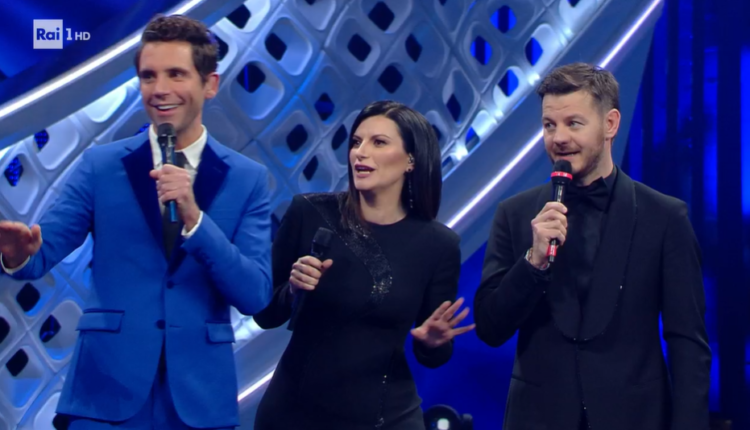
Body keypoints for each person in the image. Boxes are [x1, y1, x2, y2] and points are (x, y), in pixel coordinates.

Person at [0, 15, 272, 429]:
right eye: (148, 76)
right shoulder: (100, 165)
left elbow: (255, 295)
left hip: (199, 401)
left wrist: (196, 221)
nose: (159, 89)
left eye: (176, 74)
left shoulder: (247, 179)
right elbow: (42, 253)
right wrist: (20, 254)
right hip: (105, 394)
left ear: (210, 84)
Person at [474, 63, 710, 430]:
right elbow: (490, 328)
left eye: (574, 123)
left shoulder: (664, 217)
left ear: (610, 124)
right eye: (549, 125)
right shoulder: (515, 214)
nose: (559, 138)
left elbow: (687, 343)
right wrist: (533, 263)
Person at [253, 100, 475, 430]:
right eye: (356, 142)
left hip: (386, 418)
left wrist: (432, 343)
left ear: (411, 160)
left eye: (378, 142)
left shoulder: (439, 245)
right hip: (295, 413)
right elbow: (264, 313)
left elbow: (434, 354)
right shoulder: (308, 213)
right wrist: (292, 292)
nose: (360, 152)